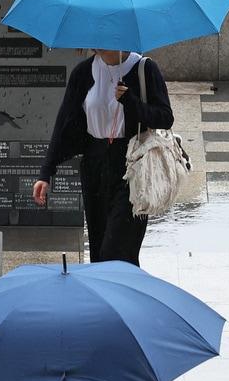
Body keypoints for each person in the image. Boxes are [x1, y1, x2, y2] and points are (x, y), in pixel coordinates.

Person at [34, 50, 175, 265]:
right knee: (100, 251)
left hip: (133, 168)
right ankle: (113, 296)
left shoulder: (145, 69)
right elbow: (64, 121)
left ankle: (127, 293)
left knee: (117, 249)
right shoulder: (83, 72)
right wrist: (46, 171)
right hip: (94, 165)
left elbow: (165, 118)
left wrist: (130, 101)